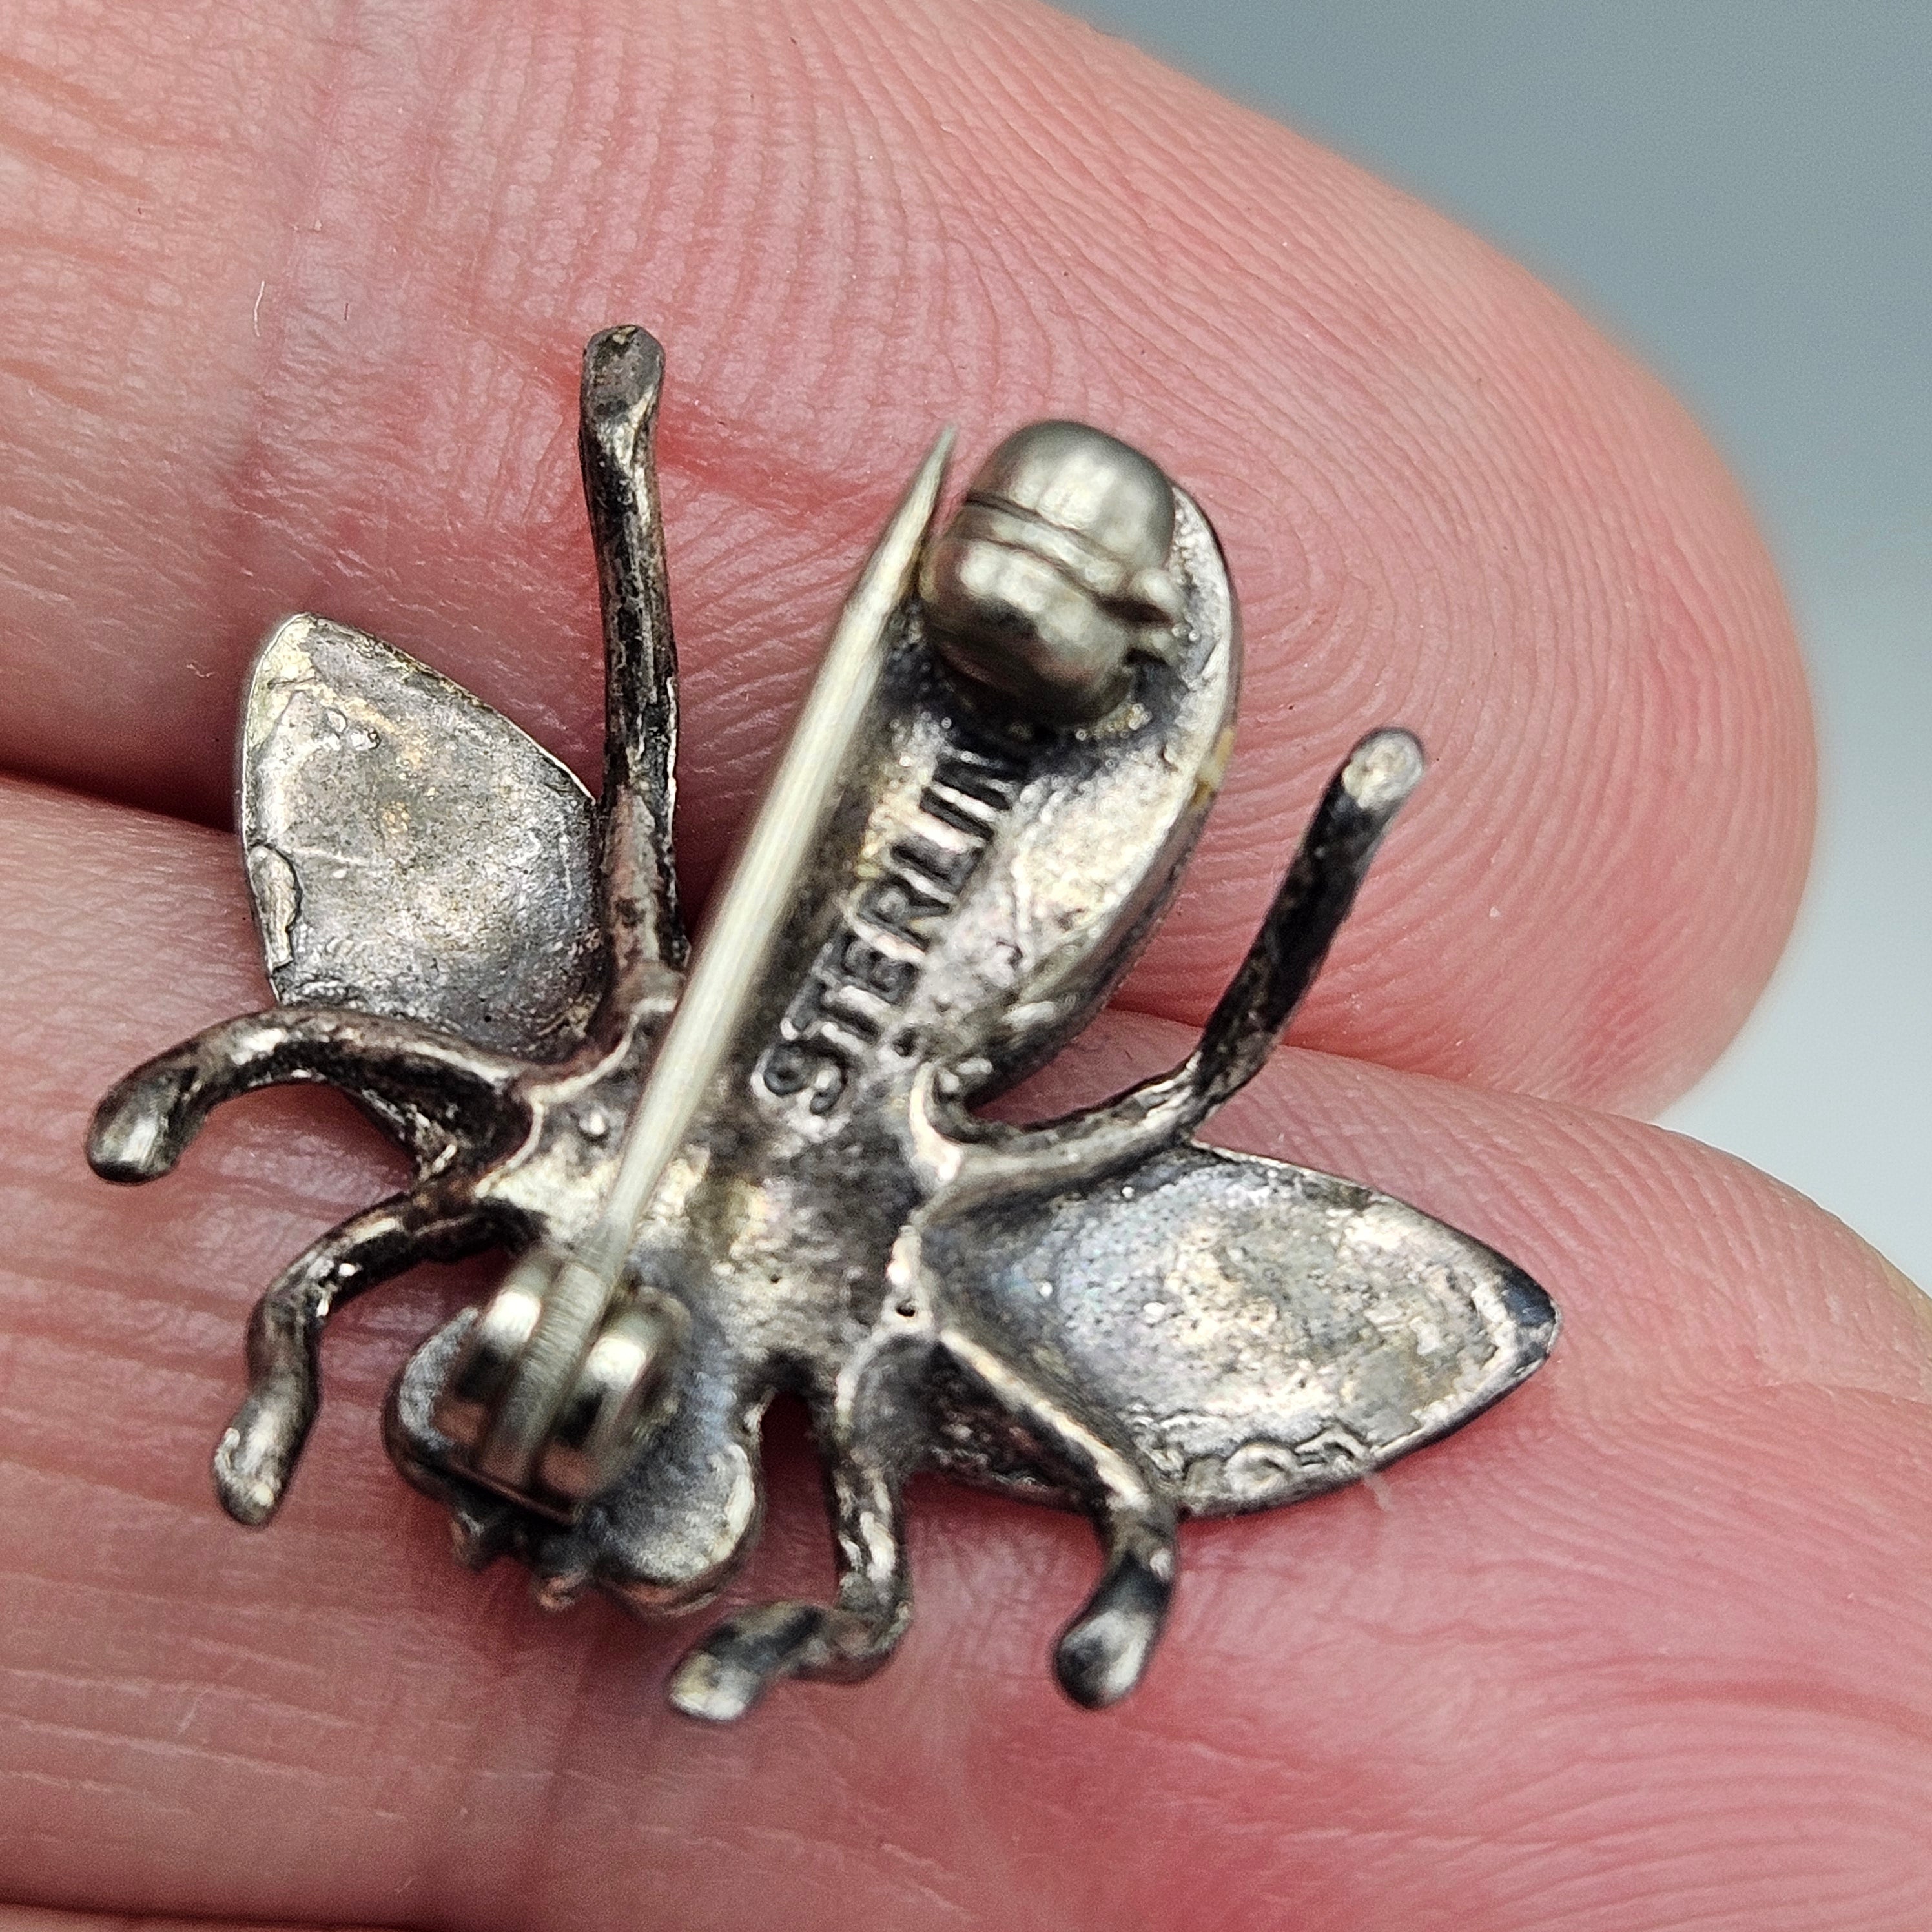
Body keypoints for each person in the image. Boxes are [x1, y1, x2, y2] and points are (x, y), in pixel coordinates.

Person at [0, 2, 1923, 1926]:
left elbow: (651, 805)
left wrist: (627, 489)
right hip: (1023, 711)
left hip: (1036, 698)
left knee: (640, 823)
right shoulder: (814, 1305)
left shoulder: (598, 1146)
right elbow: (1182, 1105)